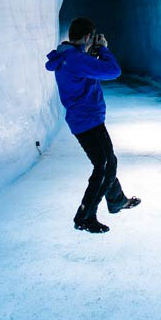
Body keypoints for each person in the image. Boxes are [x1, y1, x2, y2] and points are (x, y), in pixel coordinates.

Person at [45, 16, 140, 233]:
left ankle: (116, 199)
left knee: (107, 161)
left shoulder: (69, 57)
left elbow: (86, 70)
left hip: (83, 119)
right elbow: (113, 71)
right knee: (105, 166)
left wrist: (90, 54)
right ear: (88, 36)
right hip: (88, 120)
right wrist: (104, 50)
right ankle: (85, 216)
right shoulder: (76, 60)